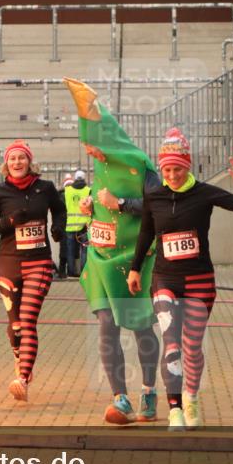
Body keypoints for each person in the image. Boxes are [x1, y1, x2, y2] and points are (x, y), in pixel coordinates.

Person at [127, 131, 233, 430]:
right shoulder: (154, 196)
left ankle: (191, 397)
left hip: (199, 279)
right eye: (167, 170)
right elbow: (146, 233)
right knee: (171, 344)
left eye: (178, 169)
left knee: (191, 347)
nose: (171, 175)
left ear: (188, 167)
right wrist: (135, 269)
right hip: (164, 279)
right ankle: (173, 409)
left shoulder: (205, 192)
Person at [65, 77, 163, 425]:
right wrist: (93, 204)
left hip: (134, 261)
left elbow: (159, 204)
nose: (88, 151)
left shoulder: (139, 164)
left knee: (139, 326)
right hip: (101, 256)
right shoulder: (101, 166)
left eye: (91, 144)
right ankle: (119, 397)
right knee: (106, 323)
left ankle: (149, 391)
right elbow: (102, 195)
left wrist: (120, 203)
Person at [0, 139, 66, 402]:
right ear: (6, 164)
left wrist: (58, 228)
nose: (17, 162)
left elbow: (60, 211)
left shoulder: (46, 188)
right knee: (15, 325)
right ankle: (20, 356)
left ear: (30, 161)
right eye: (13, 158)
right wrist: (9, 221)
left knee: (28, 321)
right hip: (9, 263)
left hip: (38, 262)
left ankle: (23, 379)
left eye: (22, 158)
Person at [61, 169, 91, 279]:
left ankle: (71, 272)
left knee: (70, 251)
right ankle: (83, 272)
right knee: (84, 251)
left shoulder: (67, 191)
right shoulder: (88, 190)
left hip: (70, 226)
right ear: (84, 178)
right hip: (84, 227)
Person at [57, 174, 75, 279]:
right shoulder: (70, 195)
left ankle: (62, 271)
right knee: (70, 249)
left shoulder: (59, 195)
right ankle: (68, 271)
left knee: (64, 248)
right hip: (70, 224)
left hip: (64, 224)